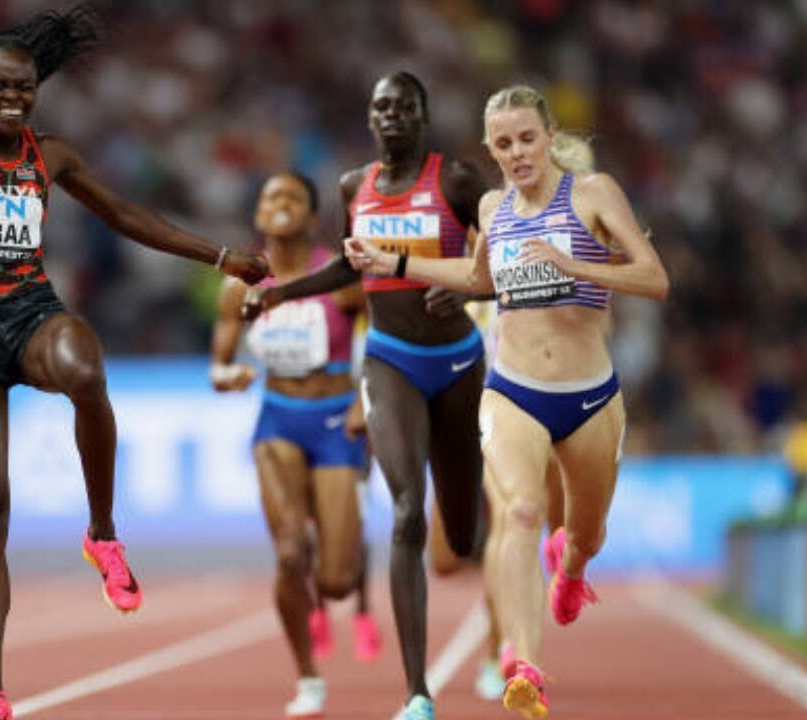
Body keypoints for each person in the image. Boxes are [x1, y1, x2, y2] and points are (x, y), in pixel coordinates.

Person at [0, 7, 269, 720]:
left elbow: (125, 216)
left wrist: (220, 255)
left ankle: (102, 534)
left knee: (85, 369)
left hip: (30, 312)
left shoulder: (52, 155)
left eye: (24, 87)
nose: (12, 98)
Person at [345, 83, 669, 719]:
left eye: (526, 139)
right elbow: (476, 279)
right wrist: (393, 261)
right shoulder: (494, 208)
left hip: (589, 396)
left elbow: (654, 279)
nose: (517, 153)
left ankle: (571, 568)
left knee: (586, 533)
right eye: (503, 144)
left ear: (549, 138)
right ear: (490, 150)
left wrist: (578, 267)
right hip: (513, 390)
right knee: (519, 512)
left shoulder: (593, 194)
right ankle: (525, 668)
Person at [243, 72, 488, 720]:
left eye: (405, 107)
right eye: (382, 107)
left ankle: (477, 529)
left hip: (457, 362)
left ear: (423, 116)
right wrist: (280, 293)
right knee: (406, 513)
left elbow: (501, 260)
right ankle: (417, 692)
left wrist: (469, 288)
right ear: (371, 118)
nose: (392, 116)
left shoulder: (456, 181)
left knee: (462, 537)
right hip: (389, 360)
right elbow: (350, 265)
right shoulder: (356, 186)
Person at [210, 172, 381, 718]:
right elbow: (219, 364)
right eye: (270, 196)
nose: (280, 203)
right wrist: (229, 376)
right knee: (288, 555)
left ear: (311, 216)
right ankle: (308, 675)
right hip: (278, 421)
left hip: (335, 423)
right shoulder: (239, 285)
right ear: (258, 214)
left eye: (293, 197)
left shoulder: (337, 275)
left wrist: (365, 399)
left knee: (334, 581)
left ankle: (337, 566)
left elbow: (381, 335)